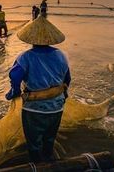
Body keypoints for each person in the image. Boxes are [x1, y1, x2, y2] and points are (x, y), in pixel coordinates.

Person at [5, 15, 70, 164]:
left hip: (34, 109)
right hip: (56, 108)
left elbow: (15, 77)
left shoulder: (25, 57)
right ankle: (48, 160)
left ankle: (38, 166)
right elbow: (67, 80)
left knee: (34, 143)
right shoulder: (61, 56)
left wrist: (14, 93)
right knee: (49, 138)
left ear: (31, 39)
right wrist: (63, 96)